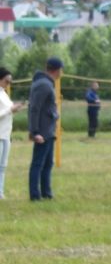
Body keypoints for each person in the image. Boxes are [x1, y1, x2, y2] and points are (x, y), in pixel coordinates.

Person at [26, 55, 61, 202]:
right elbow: (34, 108)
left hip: (48, 130)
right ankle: (35, 195)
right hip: (42, 131)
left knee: (48, 163)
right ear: (57, 70)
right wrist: (35, 132)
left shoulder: (46, 83)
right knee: (38, 163)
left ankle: (46, 192)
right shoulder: (43, 85)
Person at [0, 66, 13, 200]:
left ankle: (0, 191)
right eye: (6, 81)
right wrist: (10, 110)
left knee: (3, 165)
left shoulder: (4, 93)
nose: (8, 84)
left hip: (6, 134)